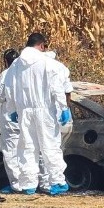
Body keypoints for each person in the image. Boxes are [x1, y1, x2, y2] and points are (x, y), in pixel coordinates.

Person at [2, 32, 70, 195]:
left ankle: (28, 184)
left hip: (24, 111)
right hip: (44, 110)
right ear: (41, 45)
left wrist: (12, 109)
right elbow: (56, 87)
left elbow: (9, 88)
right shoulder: (48, 63)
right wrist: (63, 107)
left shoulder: (16, 64)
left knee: (27, 147)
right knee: (50, 146)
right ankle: (57, 181)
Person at [37, 49, 74, 193]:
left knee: (45, 150)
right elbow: (68, 91)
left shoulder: (43, 69)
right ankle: (53, 181)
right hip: (56, 114)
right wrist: (66, 109)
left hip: (48, 114)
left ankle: (49, 182)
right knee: (53, 149)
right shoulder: (61, 68)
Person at [0, 48, 22, 193]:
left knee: (11, 151)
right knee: (27, 150)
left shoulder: (5, 74)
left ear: (5, 61)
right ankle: (30, 182)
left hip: (9, 117)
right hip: (25, 116)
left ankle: (16, 184)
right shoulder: (25, 72)